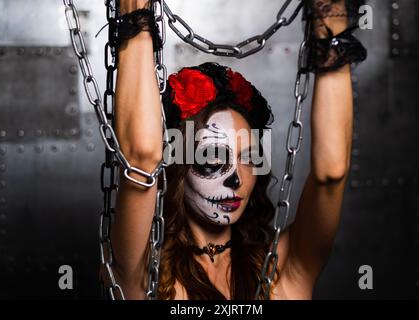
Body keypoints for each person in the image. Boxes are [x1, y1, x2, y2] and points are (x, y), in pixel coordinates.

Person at [105, 0, 367, 299]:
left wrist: (331, 25)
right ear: (176, 164)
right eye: (213, 157)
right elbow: (141, 159)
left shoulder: (282, 269)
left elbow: (331, 173)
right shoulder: (141, 272)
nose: (236, 179)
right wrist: (136, 17)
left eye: (249, 158)